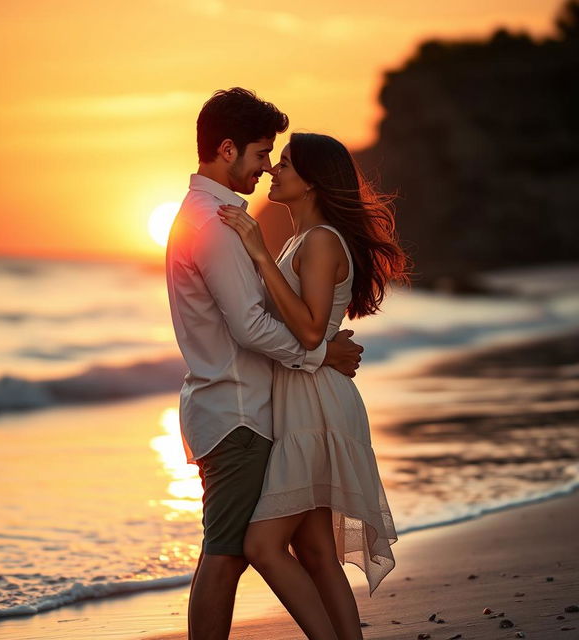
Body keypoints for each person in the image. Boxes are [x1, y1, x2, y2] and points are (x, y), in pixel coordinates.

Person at [165, 88, 364, 640]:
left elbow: (271, 313)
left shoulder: (217, 218)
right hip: (238, 415)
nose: (267, 166)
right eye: (260, 153)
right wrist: (323, 351)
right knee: (228, 553)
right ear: (226, 150)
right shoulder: (213, 223)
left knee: (297, 547)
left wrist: (317, 343)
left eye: (277, 158)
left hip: (254, 410)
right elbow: (250, 325)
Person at [216, 131, 411, 640]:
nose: (273, 172)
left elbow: (306, 329)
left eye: (285, 164)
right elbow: (302, 328)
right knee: (317, 552)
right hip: (303, 395)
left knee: (262, 545)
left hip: (317, 405)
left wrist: (258, 253)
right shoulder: (302, 240)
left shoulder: (321, 240)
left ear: (313, 181)